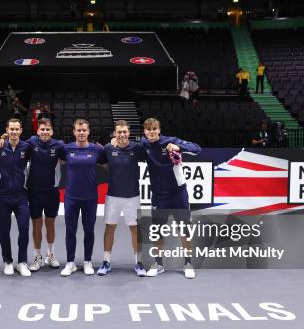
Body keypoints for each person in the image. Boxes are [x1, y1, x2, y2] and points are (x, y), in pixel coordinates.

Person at [140, 117, 201, 279]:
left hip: (178, 194)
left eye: (154, 129)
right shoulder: (144, 144)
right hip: (159, 197)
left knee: (184, 229)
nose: (151, 132)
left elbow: (197, 149)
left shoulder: (171, 141)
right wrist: (114, 141)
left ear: (159, 130)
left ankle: (188, 263)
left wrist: (178, 147)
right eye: (148, 130)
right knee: (157, 231)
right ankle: (158, 263)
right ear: (145, 132)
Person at [98, 120, 147, 277]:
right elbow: (102, 163)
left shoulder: (137, 148)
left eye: (124, 132)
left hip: (133, 197)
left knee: (135, 229)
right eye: (119, 132)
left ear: (129, 132)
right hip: (112, 196)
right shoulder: (108, 148)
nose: (122, 135)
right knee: (110, 228)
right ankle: (106, 262)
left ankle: (138, 263)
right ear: (115, 133)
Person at [59, 119, 107, 277]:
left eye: (84, 130)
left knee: (89, 230)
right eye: (78, 130)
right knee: (70, 230)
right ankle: (70, 262)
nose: (81, 133)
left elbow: (108, 161)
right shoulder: (66, 149)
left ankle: (87, 261)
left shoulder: (97, 150)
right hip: (71, 197)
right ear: (74, 132)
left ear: (88, 131)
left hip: (90, 198)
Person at [0, 118, 33, 277]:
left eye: (17, 129)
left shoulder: (27, 148)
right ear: (7, 130)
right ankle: (8, 261)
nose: (14, 132)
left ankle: (22, 262)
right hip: (2, 196)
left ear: (21, 130)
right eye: (11, 129)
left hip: (21, 196)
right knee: (4, 230)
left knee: (24, 228)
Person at [24, 119, 64, 271]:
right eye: (42, 129)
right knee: (36, 224)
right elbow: (15, 144)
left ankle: (51, 254)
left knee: (50, 223)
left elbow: (72, 154)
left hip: (51, 191)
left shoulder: (58, 145)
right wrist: (3, 138)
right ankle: (37, 256)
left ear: (52, 132)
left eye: (48, 129)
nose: (45, 132)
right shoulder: (31, 142)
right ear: (38, 131)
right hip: (34, 191)